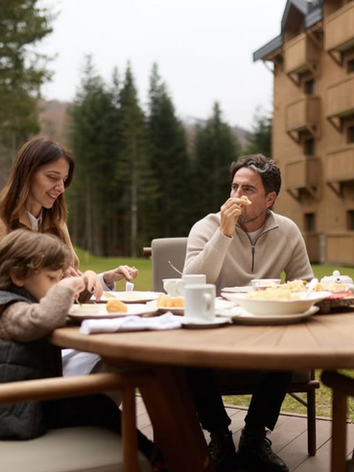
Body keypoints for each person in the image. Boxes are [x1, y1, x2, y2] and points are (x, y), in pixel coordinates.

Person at [183, 154, 314, 472]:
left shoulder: (288, 231)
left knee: (288, 346)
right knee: (186, 352)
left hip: (266, 327)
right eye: (234, 187)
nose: (236, 196)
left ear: (270, 198)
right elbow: (191, 282)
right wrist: (223, 234)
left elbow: (306, 285)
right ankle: (220, 437)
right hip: (217, 330)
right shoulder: (207, 226)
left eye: (248, 189)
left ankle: (254, 437)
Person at [0, 229, 154, 463]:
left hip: (29, 404)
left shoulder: (23, 299)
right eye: (51, 278)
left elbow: (53, 306)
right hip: (16, 414)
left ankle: (155, 455)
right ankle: (160, 458)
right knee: (98, 404)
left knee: (97, 404)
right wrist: (65, 288)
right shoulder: (8, 310)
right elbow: (41, 318)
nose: (56, 285)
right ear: (18, 276)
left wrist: (81, 287)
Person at [0, 136, 139, 378]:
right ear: (26, 173)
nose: (61, 188)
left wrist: (94, 279)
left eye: (64, 180)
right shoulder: (2, 223)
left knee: (124, 353)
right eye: (52, 178)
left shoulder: (56, 223)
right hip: (21, 341)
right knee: (116, 357)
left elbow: (71, 285)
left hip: (60, 328)